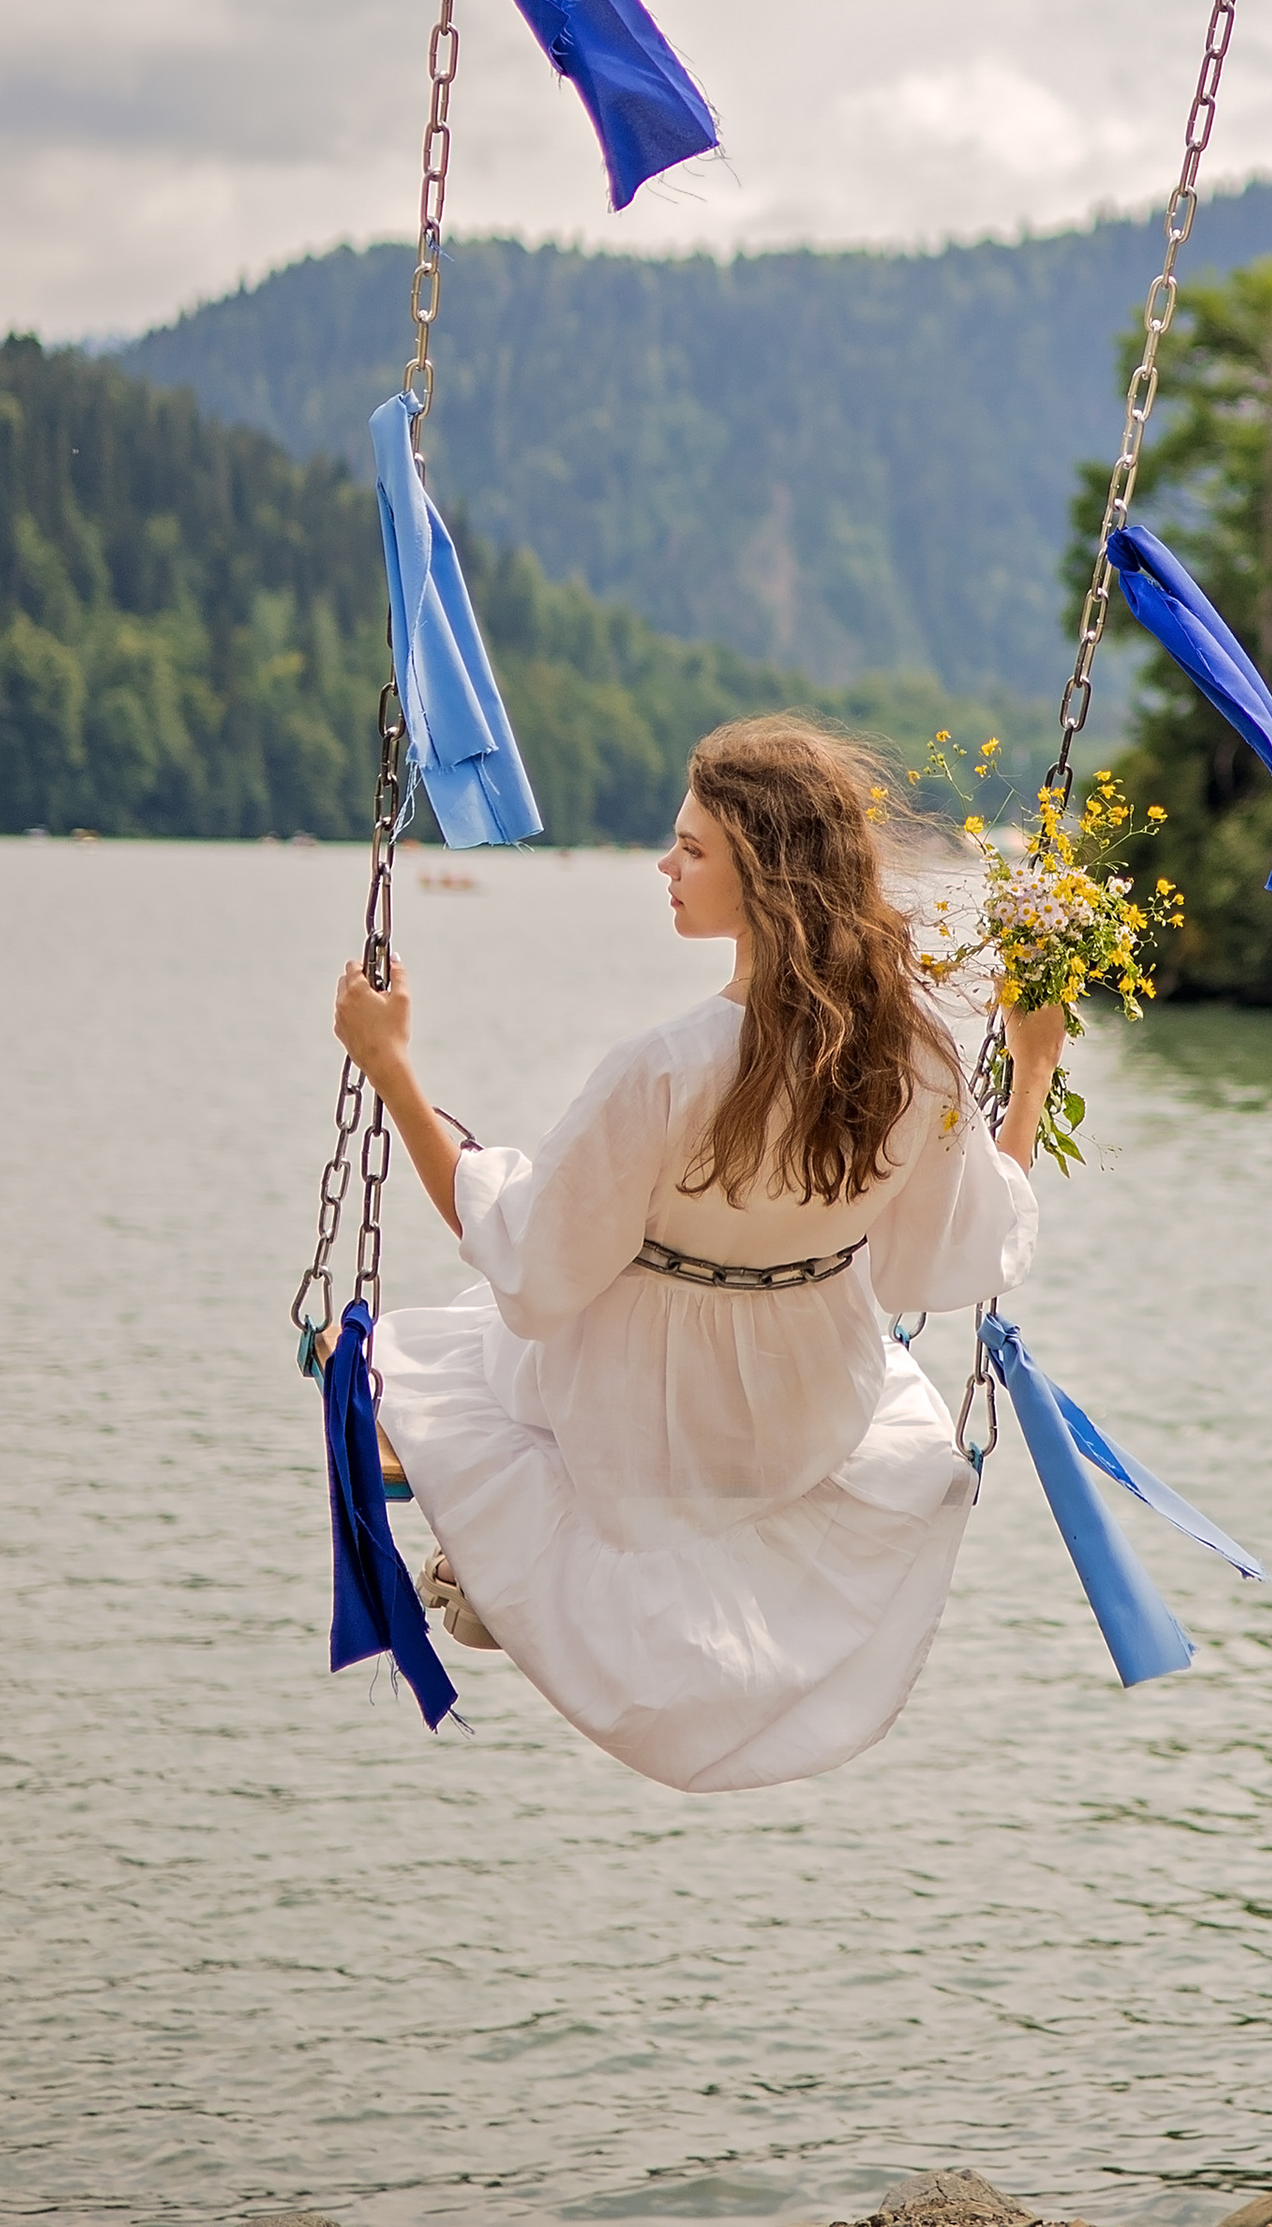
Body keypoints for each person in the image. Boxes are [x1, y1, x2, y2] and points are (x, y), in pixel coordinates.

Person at [331, 712, 1067, 1793]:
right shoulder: (919, 1053)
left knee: (459, 1341)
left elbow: (532, 1273)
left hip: (631, 1430)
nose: (663, 866)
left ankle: (500, 1566)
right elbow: (941, 1265)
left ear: (764, 877)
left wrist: (393, 1073)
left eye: (692, 848)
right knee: (530, 1308)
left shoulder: (663, 1072)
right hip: (807, 1420)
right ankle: (502, 1565)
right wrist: (1033, 1065)